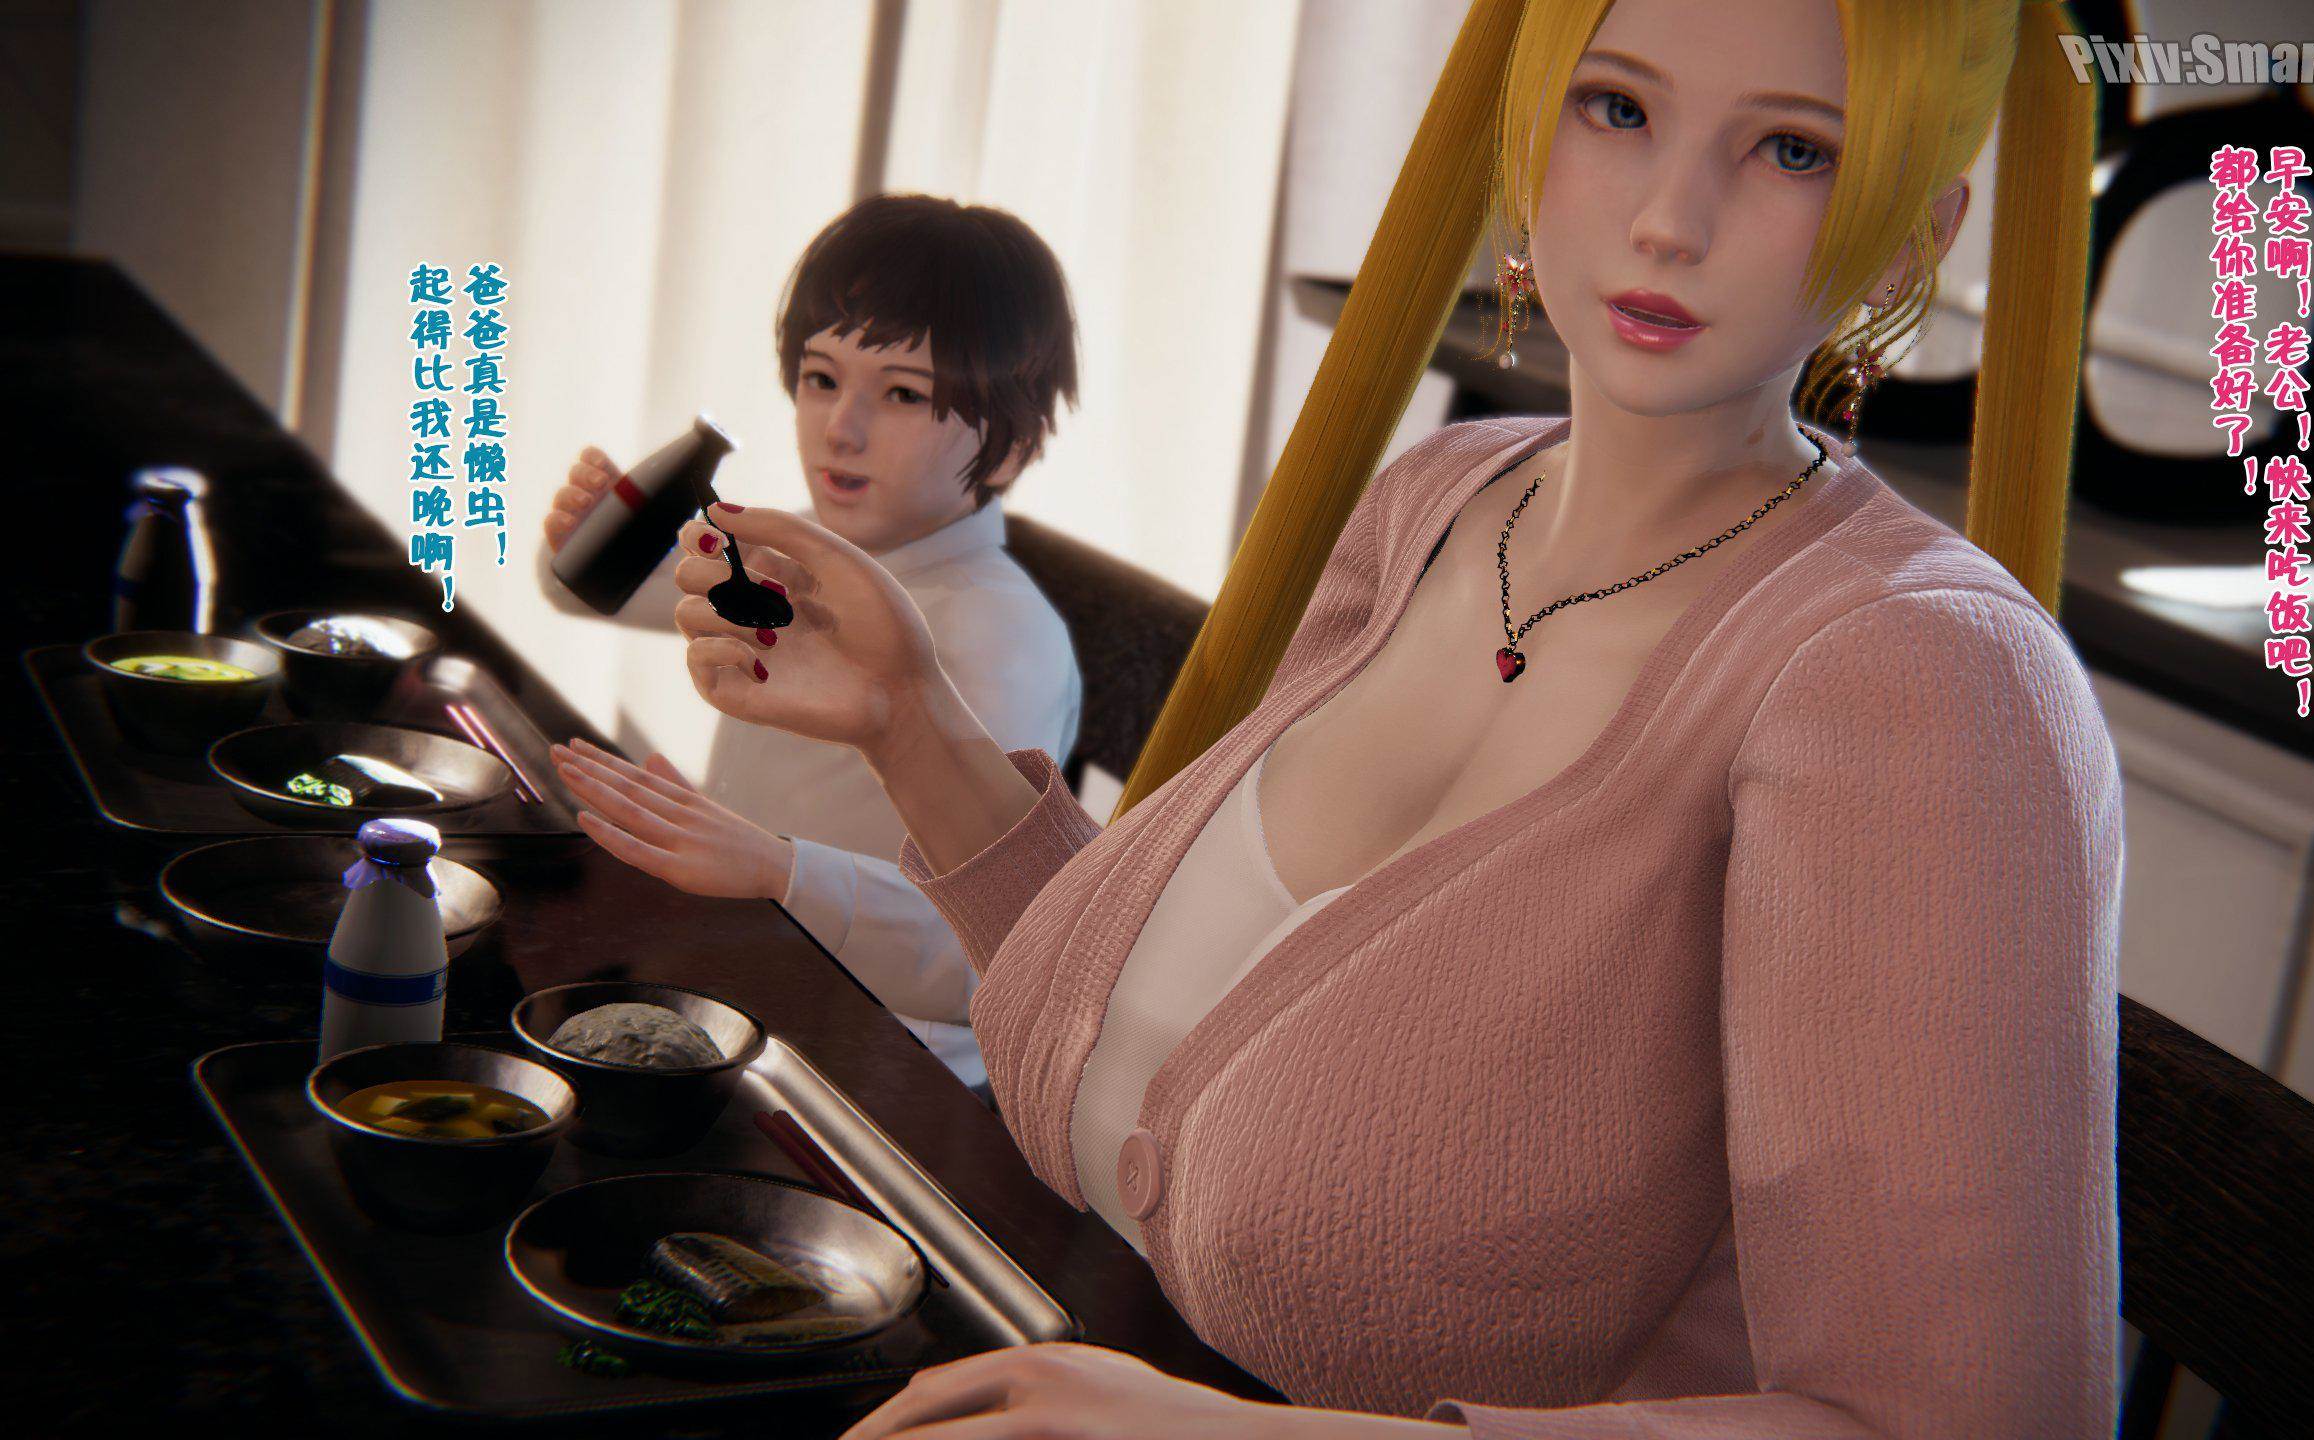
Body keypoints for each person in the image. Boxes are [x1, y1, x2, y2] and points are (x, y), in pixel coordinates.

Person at [674, 0, 2121, 1434]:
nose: (1669, 221)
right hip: (1031, 1330)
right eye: (1618, 108)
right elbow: (1145, 1031)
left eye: (1795, 149)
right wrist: (906, 717)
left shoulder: (1923, 677)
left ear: (1916, 233)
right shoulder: (1444, 497)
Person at [537, 194, 1082, 1099]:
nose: (840, 429)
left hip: (881, 1071)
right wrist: (588, 536)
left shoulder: (997, 634)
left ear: (1011, 448)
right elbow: (594, 589)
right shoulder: (801, 548)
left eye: (903, 393)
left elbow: (989, 954)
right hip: (740, 978)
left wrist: (777, 871)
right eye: (822, 379)